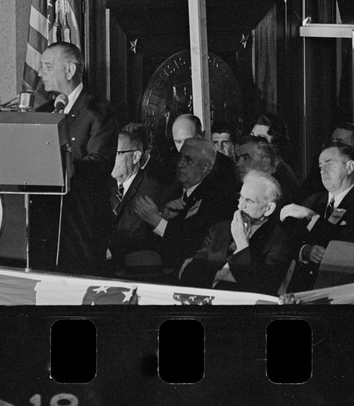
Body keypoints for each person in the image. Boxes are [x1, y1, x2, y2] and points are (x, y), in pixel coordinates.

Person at [36, 41, 118, 275]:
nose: (40, 73)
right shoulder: (43, 113)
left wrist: (62, 163)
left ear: (70, 70)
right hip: (46, 223)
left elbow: (100, 163)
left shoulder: (98, 110)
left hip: (82, 222)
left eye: (47, 66)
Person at [280, 142, 354, 293]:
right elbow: (290, 242)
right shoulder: (312, 201)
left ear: (350, 167)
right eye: (321, 166)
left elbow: (347, 242)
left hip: (341, 289)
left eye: (329, 164)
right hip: (304, 288)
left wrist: (312, 217)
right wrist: (306, 250)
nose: (323, 171)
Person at [133, 138, 237, 280]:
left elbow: (194, 245)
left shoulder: (216, 199)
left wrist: (158, 222)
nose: (180, 164)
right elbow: (147, 243)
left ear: (206, 167)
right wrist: (162, 216)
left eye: (188, 160)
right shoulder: (169, 191)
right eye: (179, 158)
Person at [179, 172, 297, 295]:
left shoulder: (279, 241)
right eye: (240, 197)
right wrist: (219, 275)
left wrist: (242, 246)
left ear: (268, 209)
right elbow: (190, 275)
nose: (240, 206)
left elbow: (261, 288)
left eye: (249, 201)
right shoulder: (220, 229)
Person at [108, 123, 163, 275]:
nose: (110, 158)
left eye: (117, 153)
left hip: (133, 269)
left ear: (135, 156)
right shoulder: (105, 185)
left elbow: (136, 235)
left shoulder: (150, 187)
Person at [170, 113, 239, 190]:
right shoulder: (171, 167)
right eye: (178, 141)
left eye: (188, 140)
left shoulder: (224, 166)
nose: (183, 146)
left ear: (202, 136)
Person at [235, 135, 301, 204]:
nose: (238, 164)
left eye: (246, 158)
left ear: (265, 163)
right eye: (238, 158)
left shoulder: (280, 196)